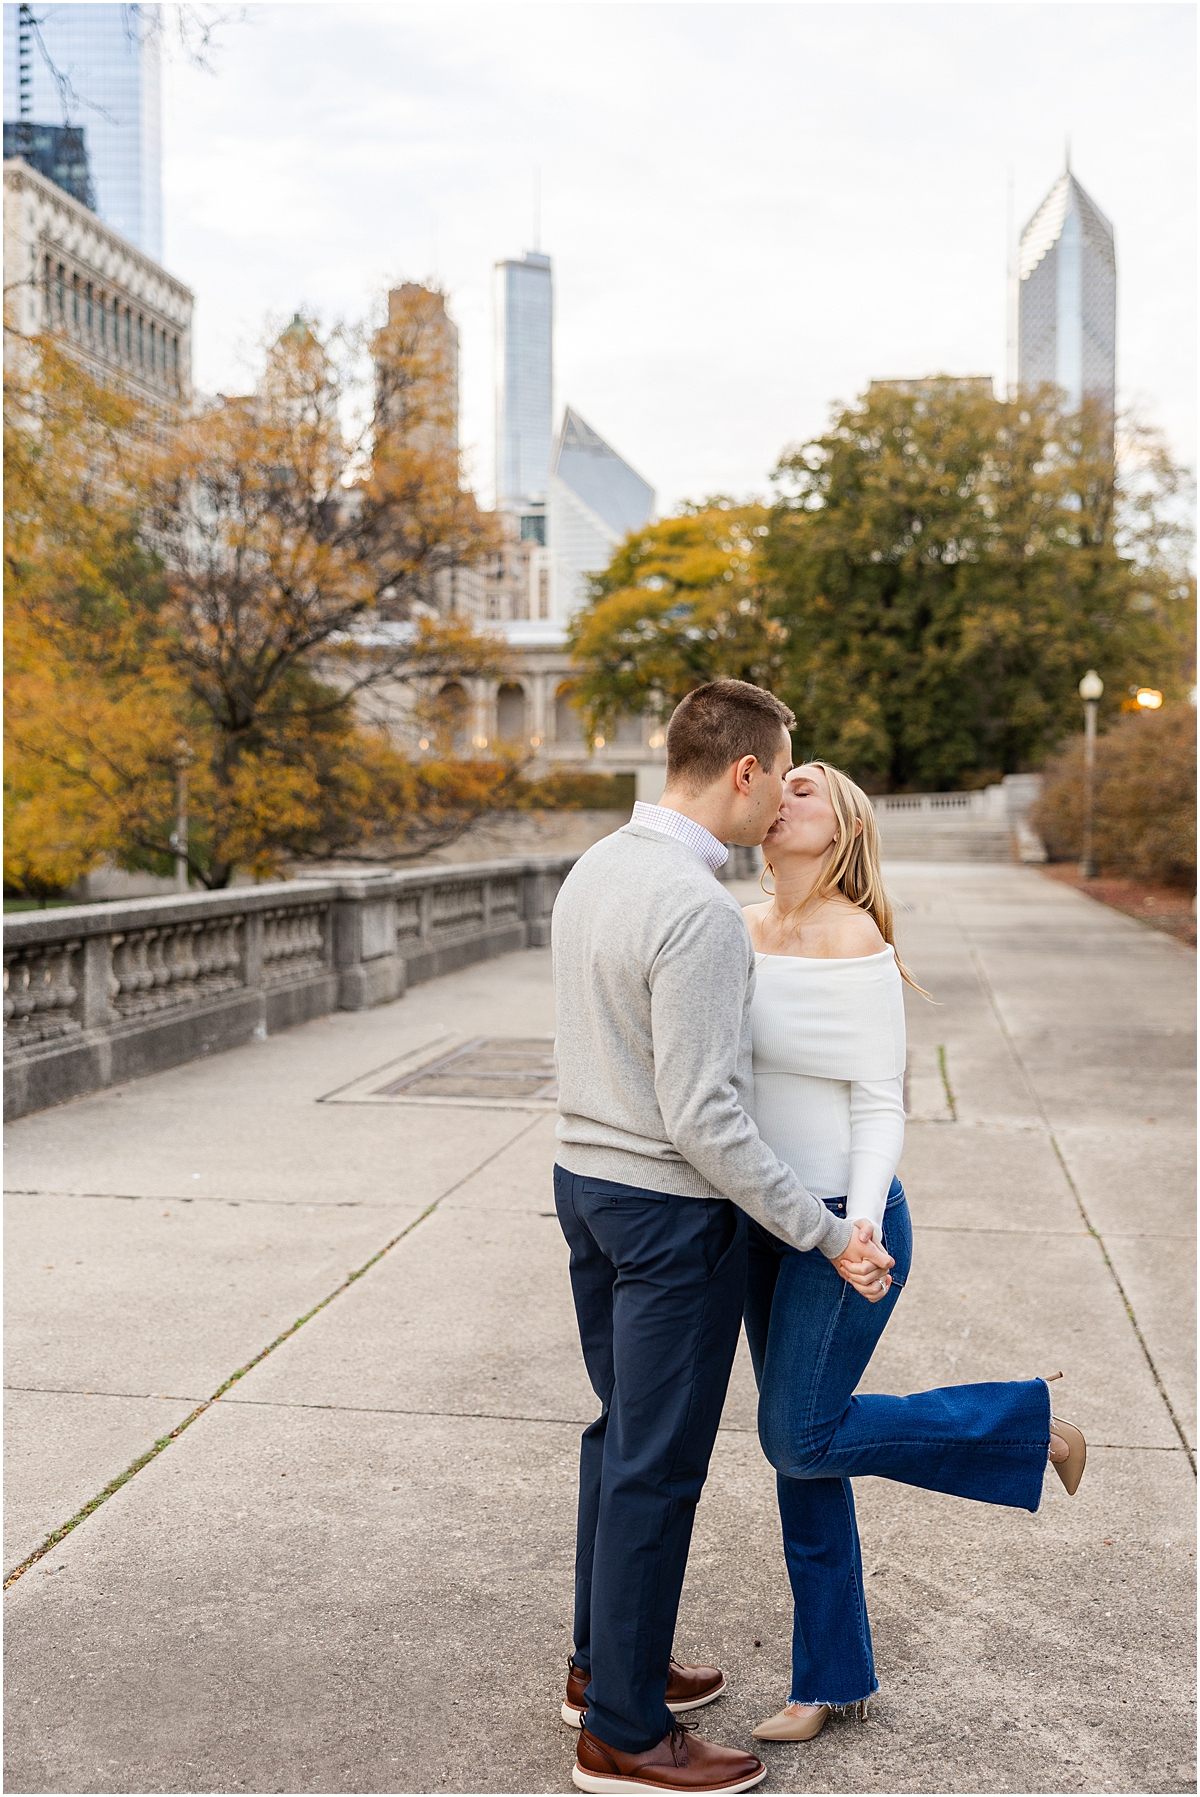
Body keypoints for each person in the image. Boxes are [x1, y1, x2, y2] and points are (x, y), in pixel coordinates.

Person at [551, 682, 893, 1796]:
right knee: (657, 1468)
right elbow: (704, 1116)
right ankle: (625, 1733)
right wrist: (823, 1230)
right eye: (782, 772)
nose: (781, 798)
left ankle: (604, 1665)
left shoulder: (599, 866)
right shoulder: (698, 912)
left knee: (619, 1440)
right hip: (663, 1213)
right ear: (744, 770)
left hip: (586, 1186)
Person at [740, 760, 1087, 1745]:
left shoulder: (856, 938)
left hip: (847, 1224)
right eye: (773, 784)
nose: (780, 795)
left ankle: (1031, 1424)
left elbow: (880, 1099)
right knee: (800, 1451)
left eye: (805, 787)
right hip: (761, 1223)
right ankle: (831, 1677)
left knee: (800, 1435)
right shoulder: (735, 925)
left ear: (843, 824)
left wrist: (850, 1225)